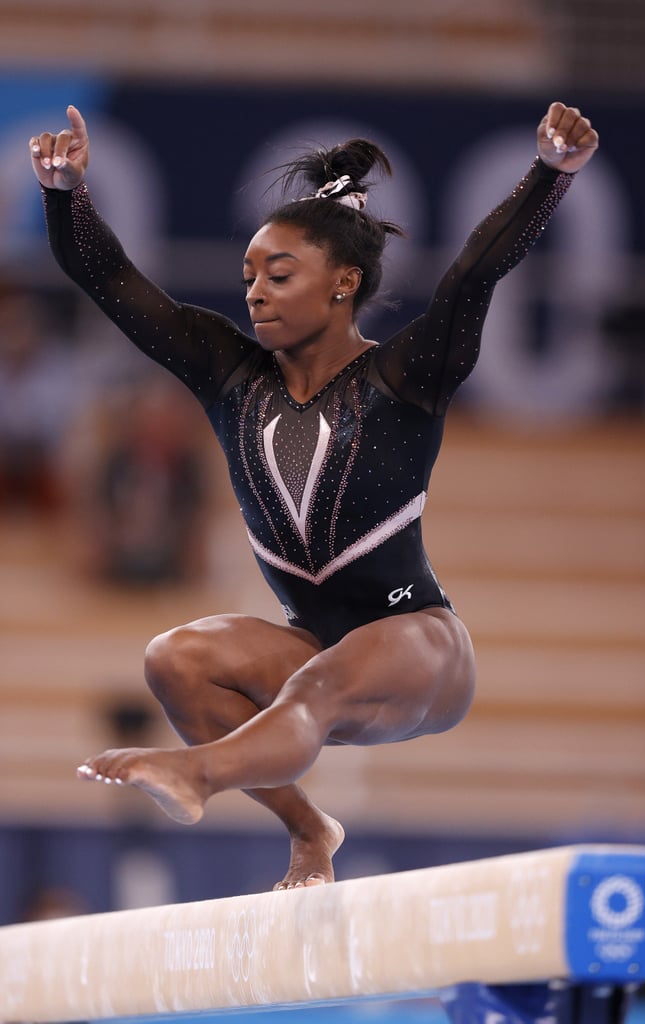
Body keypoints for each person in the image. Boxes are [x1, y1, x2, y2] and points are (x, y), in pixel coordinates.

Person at [30, 102, 598, 890]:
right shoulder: (229, 375)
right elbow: (111, 280)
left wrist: (550, 176)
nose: (256, 292)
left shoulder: (403, 378)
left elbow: (474, 274)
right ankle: (308, 828)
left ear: (344, 282)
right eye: (249, 277)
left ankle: (199, 772)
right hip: (321, 648)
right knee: (178, 659)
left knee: (320, 683)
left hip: (420, 649)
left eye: (280, 275)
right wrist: (67, 196)